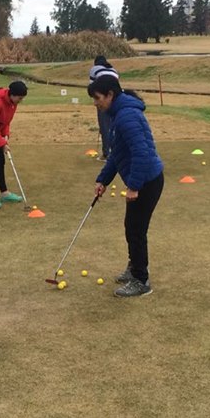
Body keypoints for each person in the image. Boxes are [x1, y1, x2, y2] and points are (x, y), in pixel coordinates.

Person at [88, 75, 165, 297]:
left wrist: (133, 186)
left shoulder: (127, 116)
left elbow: (141, 153)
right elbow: (117, 154)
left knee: (136, 229)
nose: (95, 102)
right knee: (131, 227)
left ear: (111, 95)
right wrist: (103, 179)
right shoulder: (117, 114)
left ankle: (141, 280)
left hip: (147, 180)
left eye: (97, 98)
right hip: (142, 179)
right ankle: (135, 269)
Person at [89, 56, 119, 161]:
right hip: (115, 100)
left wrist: (97, 102)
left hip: (103, 100)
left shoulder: (94, 69)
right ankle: (116, 152)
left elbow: (92, 88)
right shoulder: (113, 70)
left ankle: (107, 154)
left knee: (104, 127)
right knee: (113, 126)